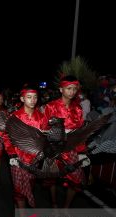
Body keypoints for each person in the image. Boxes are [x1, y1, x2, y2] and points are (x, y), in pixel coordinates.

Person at [43, 75, 86, 208]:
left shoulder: (78, 109)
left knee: (76, 179)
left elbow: (80, 132)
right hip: (54, 148)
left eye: (74, 89)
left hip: (71, 149)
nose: (72, 91)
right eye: (68, 88)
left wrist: (82, 151)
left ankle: (66, 207)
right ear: (61, 90)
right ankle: (54, 203)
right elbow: (44, 128)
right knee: (52, 179)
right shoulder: (51, 106)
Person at [2, 86, 47, 208]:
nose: (32, 100)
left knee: (29, 187)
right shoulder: (14, 117)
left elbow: (45, 139)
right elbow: (7, 137)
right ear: (22, 99)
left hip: (34, 160)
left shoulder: (42, 117)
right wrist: (12, 154)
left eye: (35, 97)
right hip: (18, 159)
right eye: (29, 97)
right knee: (19, 191)